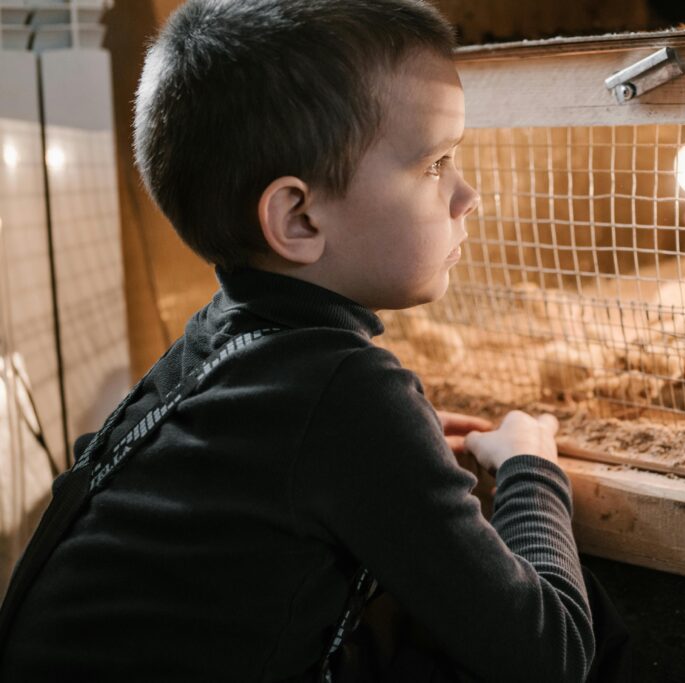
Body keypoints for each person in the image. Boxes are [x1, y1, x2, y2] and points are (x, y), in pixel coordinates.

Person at [0, 1, 628, 680]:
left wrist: (395, 445)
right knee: (592, 615)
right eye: (435, 164)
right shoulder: (345, 392)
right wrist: (532, 470)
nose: (467, 195)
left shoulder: (221, 339)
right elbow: (551, 655)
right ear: (298, 219)